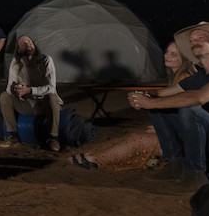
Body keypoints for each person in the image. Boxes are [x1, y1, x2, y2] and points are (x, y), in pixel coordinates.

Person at [127, 22, 209, 189]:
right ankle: (174, 165)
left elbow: (200, 98)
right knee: (159, 108)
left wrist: (151, 101)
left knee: (190, 109)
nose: (194, 41)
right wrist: (142, 97)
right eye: (192, 39)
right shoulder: (199, 76)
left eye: (200, 38)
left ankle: (195, 174)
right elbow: (163, 94)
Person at [70, 41, 196, 170]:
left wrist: (167, 127)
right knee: (133, 137)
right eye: (167, 52)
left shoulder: (185, 78)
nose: (167, 56)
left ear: (184, 59)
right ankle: (93, 156)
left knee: (137, 139)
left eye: (173, 54)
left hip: (184, 138)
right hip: (176, 133)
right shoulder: (176, 78)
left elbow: (191, 114)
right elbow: (163, 97)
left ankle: (93, 160)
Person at [0, 35, 65, 151]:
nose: (28, 43)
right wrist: (16, 90)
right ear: (19, 50)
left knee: (52, 97)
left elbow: (51, 88)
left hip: (44, 105)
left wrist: (30, 90)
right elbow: (9, 87)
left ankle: (54, 138)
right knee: (4, 96)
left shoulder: (46, 60)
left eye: (29, 41)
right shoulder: (16, 62)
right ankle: (12, 135)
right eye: (23, 43)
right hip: (27, 104)